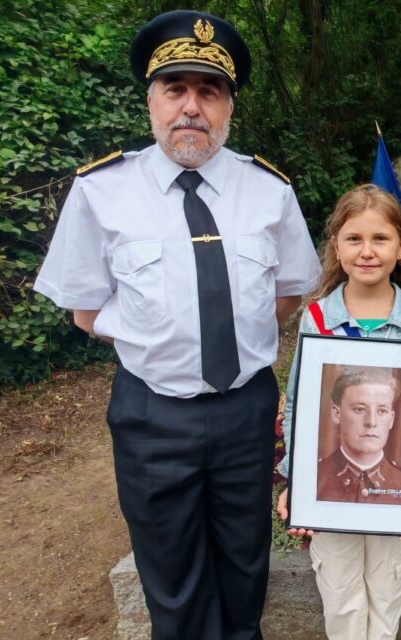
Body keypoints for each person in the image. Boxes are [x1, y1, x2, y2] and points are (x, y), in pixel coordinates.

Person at [33, 10, 321, 638]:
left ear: (229, 107)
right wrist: (166, 341)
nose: (191, 106)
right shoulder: (101, 191)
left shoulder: (268, 190)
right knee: (172, 577)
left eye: (209, 91)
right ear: (151, 101)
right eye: (176, 88)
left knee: (246, 564)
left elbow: (286, 296)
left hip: (245, 410)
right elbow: (85, 311)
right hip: (152, 413)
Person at [275, 184, 401, 640]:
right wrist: (296, 480)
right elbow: (298, 405)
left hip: (394, 501)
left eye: (380, 239)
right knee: (342, 601)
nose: (367, 251)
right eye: (354, 239)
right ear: (336, 245)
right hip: (328, 497)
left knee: (386, 600)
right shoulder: (317, 320)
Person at [316, 366, 401, 505]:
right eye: (359, 409)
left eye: (381, 411)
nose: (371, 422)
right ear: (337, 414)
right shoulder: (313, 479)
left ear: (391, 420)